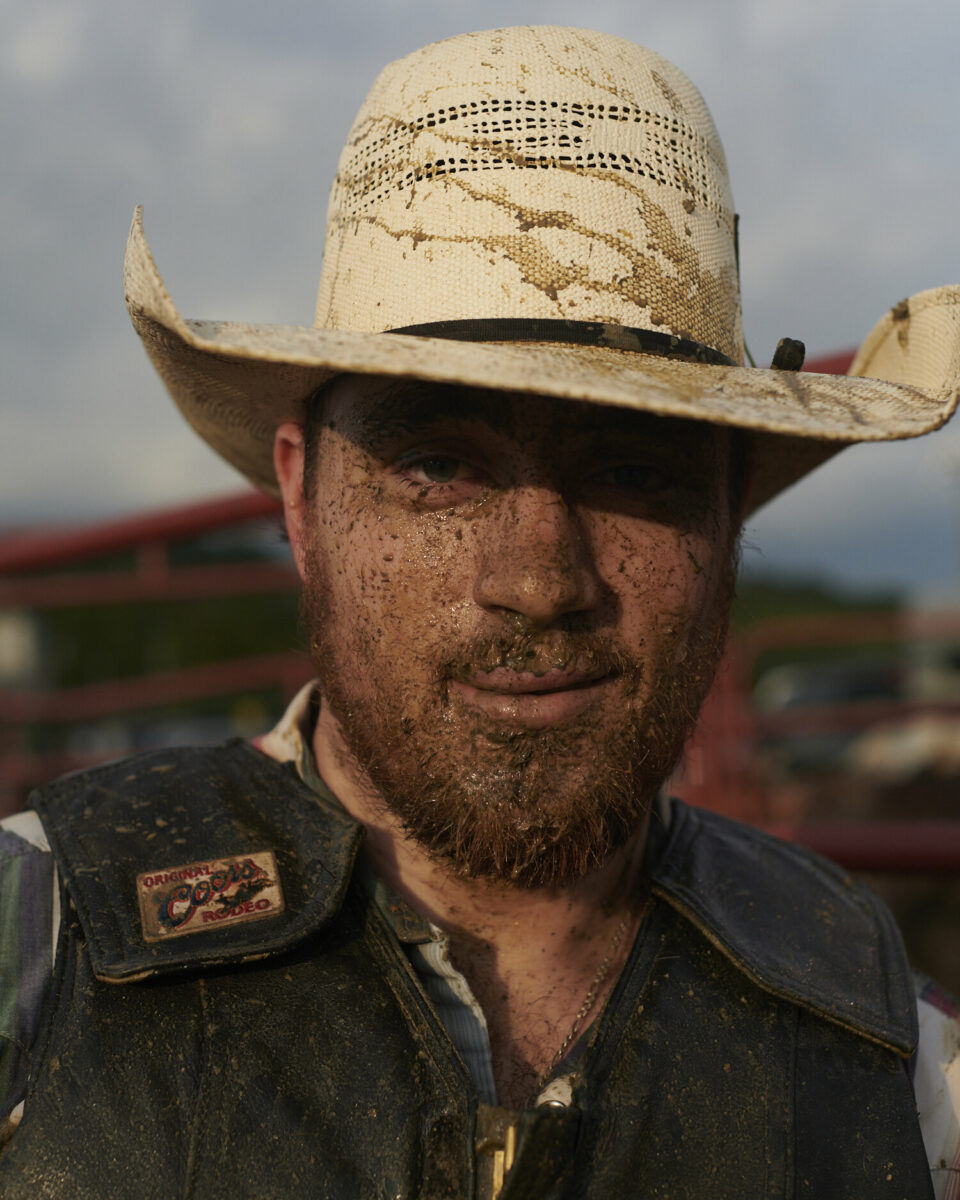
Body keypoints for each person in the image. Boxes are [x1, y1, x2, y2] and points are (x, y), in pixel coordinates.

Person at [2, 25, 959, 1199]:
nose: (541, 578)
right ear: (304, 500)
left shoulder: (894, 1061)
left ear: (727, 515)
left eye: (636, 473)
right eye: (439, 466)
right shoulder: (42, 936)